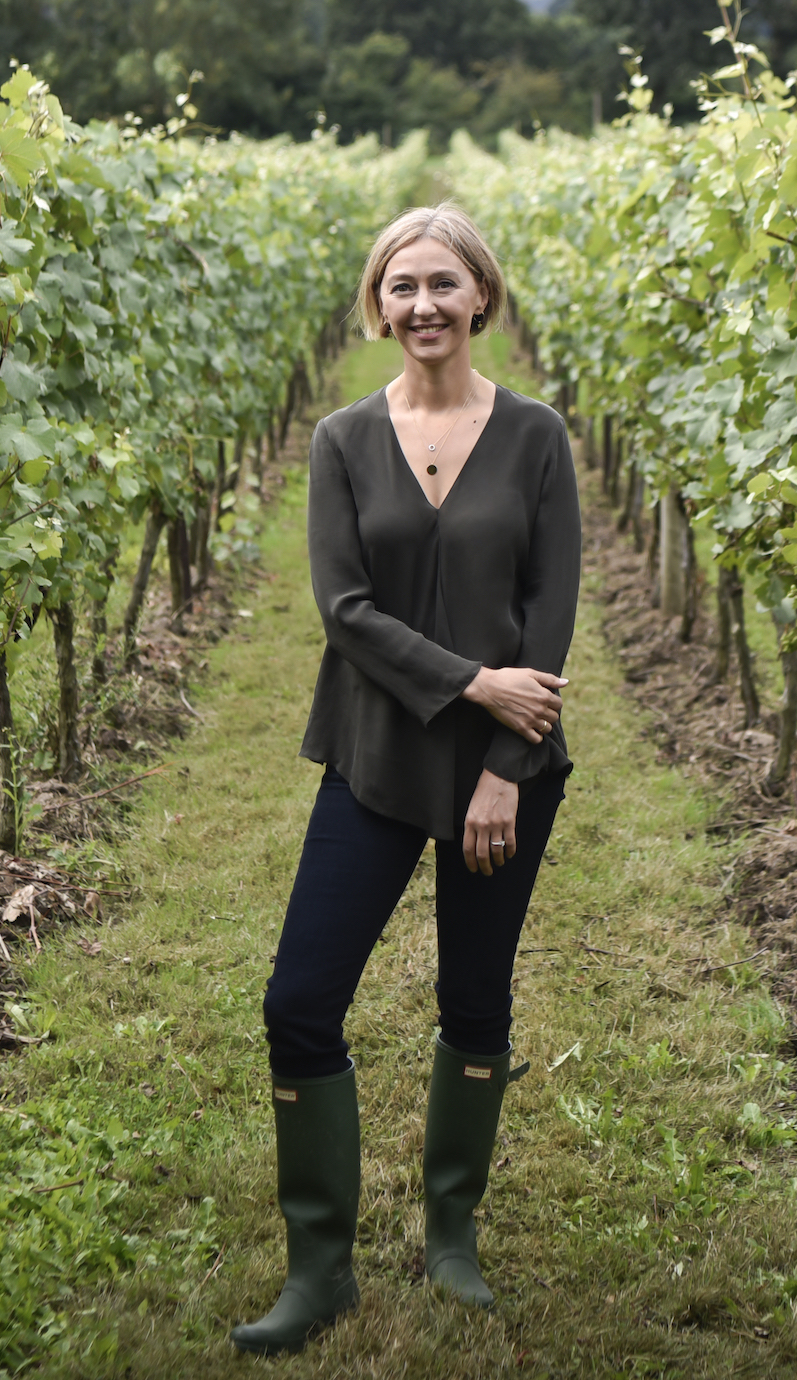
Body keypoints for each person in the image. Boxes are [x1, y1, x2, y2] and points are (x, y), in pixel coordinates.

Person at [231, 204, 581, 1355]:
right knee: (298, 1000)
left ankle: (450, 1235)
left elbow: (550, 617)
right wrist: (477, 683)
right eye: (400, 286)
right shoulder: (340, 439)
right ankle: (317, 1263)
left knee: (474, 998)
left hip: (502, 772)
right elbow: (346, 612)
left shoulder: (536, 438)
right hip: (374, 757)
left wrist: (503, 768)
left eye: (443, 283)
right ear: (376, 307)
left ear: (482, 295)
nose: (421, 305)